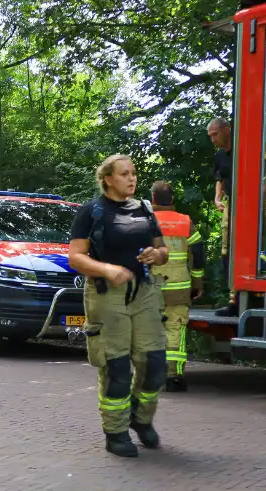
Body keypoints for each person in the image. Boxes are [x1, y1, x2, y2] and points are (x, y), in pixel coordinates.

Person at [67, 154, 169, 458]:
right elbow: (75, 257)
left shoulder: (145, 209)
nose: (132, 178)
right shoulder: (92, 212)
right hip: (106, 295)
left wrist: (157, 255)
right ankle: (116, 432)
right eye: (124, 174)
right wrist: (107, 270)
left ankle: (141, 419)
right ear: (108, 179)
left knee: (155, 363)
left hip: (145, 292)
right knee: (117, 367)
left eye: (134, 173)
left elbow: (163, 250)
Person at [149, 181, 205, 393]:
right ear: (172, 199)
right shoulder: (185, 222)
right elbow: (198, 254)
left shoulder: (145, 221)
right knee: (175, 328)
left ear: (153, 199)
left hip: (151, 287)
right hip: (179, 287)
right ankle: (174, 377)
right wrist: (197, 282)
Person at [206, 118, 238, 317]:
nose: (213, 139)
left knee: (244, 248)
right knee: (227, 250)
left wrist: (263, 192)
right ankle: (232, 299)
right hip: (230, 207)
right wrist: (217, 198)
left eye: (215, 134)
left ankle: (246, 297)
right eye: (210, 136)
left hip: (248, 206)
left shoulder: (243, 148)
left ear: (227, 130)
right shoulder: (220, 156)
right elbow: (219, 177)